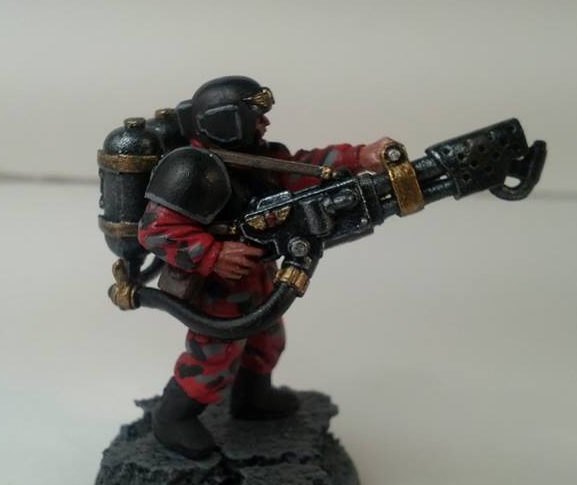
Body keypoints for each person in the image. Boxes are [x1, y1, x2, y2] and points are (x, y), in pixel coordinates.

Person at [138, 76, 393, 458]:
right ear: (227, 121)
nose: (265, 123)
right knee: (214, 357)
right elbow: (155, 232)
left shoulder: (256, 157)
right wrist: (213, 255)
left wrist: (360, 157)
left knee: (267, 338)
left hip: (256, 275)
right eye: (255, 116)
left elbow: (304, 168)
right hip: (216, 287)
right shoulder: (189, 168)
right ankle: (172, 419)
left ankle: (253, 398)